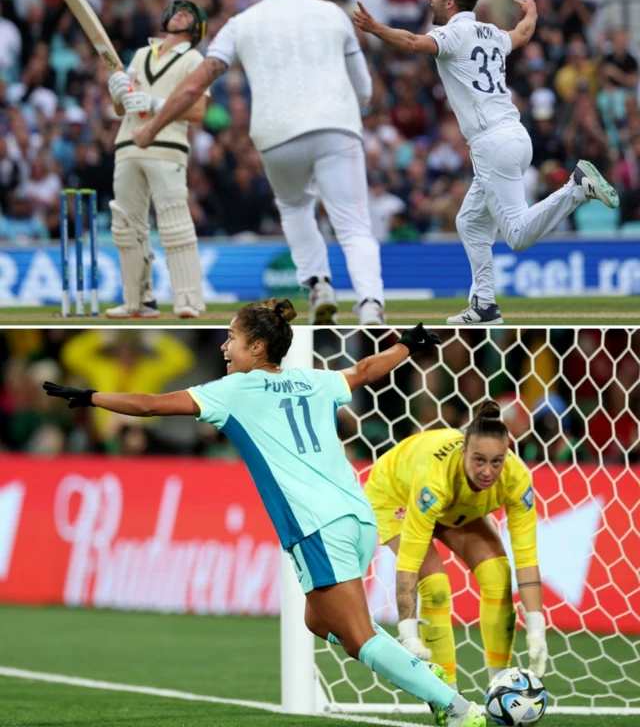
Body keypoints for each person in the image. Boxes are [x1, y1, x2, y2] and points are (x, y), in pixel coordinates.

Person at [44, 302, 485, 727]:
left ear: (257, 347)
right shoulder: (312, 380)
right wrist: (407, 344)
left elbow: (150, 405)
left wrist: (91, 395)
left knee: (359, 635)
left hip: (316, 525)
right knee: (318, 621)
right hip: (358, 516)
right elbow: (366, 369)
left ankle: (454, 704)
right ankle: (423, 677)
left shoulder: (235, 391)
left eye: (232, 338)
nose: (223, 347)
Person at [131, 0, 387, 327]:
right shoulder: (333, 14)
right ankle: (370, 304)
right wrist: (356, 107)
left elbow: (191, 86)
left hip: (276, 136)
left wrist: (151, 126)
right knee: (352, 223)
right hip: (336, 127)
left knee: (296, 208)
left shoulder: (241, 23)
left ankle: (319, 288)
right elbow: (364, 89)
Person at [354, 0, 619, 325]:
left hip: (491, 143)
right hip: (512, 135)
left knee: (517, 235)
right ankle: (484, 305)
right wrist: (532, 12)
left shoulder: (452, 33)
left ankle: (576, 188)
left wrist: (375, 29)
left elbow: (411, 43)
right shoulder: (491, 32)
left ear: (451, 2)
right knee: (470, 223)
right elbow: (524, 34)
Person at [364, 402, 547, 702]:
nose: (488, 472)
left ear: (507, 456)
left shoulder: (516, 479)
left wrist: (537, 627)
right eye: (479, 461)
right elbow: (410, 562)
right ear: (463, 451)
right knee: (435, 585)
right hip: (394, 492)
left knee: (497, 574)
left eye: (496, 462)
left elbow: (526, 557)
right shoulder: (435, 479)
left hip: (455, 505)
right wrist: (408, 632)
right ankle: (447, 699)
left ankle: (499, 691)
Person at [106, 0, 209, 319]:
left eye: (188, 14)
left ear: (196, 29)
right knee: (126, 226)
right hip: (127, 144)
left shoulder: (194, 59)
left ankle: (189, 300)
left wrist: (155, 103)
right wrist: (117, 94)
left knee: (174, 224)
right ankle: (139, 301)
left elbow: (197, 111)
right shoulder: (139, 55)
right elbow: (121, 110)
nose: (180, 13)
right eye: (177, 10)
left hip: (167, 146)